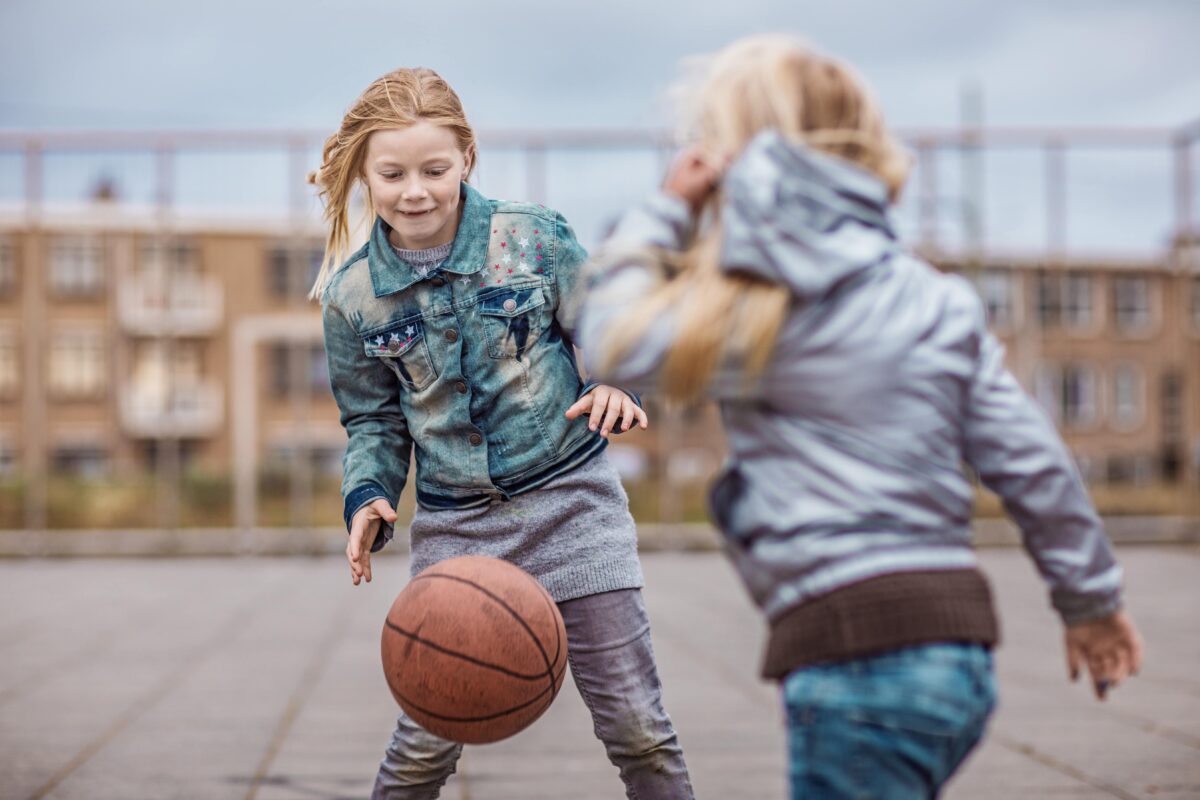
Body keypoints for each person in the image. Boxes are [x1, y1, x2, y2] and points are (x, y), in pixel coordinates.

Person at [576, 34, 1144, 799]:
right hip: (959, 652)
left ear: (727, 168)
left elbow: (610, 336)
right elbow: (1034, 459)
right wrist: (1091, 602)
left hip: (854, 659)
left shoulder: (760, 309)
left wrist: (666, 209)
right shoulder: (934, 295)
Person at [310, 67, 694, 800]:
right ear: (364, 172)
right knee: (423, 748)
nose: (414, 190)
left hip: (574, 509)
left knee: (638, 729)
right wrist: (366, 496)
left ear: (467, 158)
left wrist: (615, 381)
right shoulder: (352, 297)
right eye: (392, 173)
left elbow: (612, 331)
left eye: (434, 168)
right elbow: (372, 420)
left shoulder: (533, 238)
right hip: (461, 534)